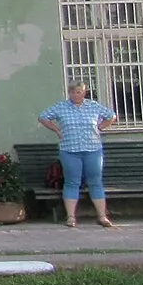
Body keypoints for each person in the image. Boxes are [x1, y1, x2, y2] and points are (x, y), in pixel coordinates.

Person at [39, 80, 117, 227]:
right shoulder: (61, 107)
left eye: (79, 92)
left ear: (84, 92)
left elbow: (111, 116)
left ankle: (102, 216)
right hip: (70, 150)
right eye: (73, 92)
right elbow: (43, 117)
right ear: (69, 93)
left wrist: (101, 127)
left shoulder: (93, 106)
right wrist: (56, 130)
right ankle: (71, 217)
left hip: (92, 149)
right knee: (72, 182)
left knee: (95, 181)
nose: (76, 95)